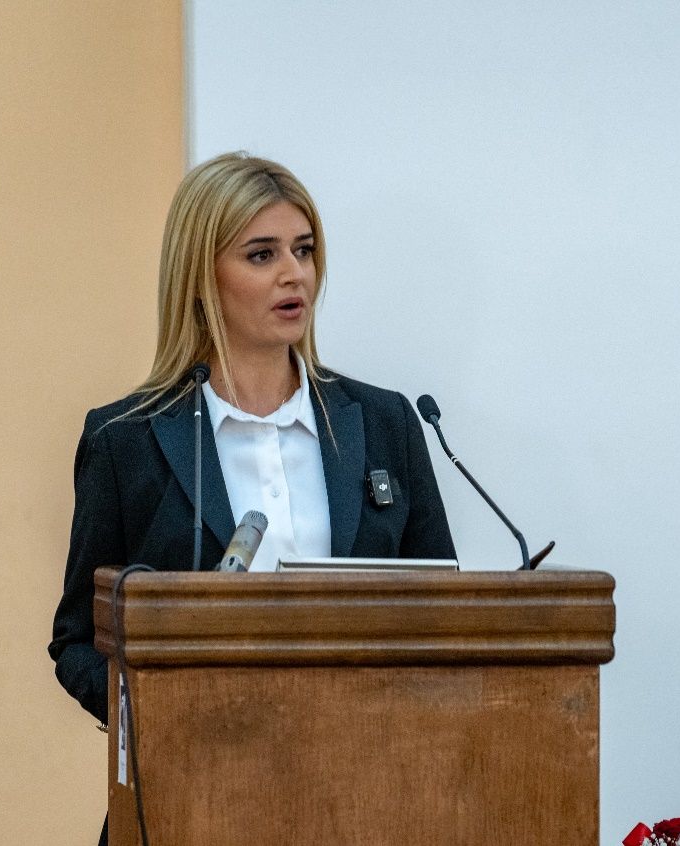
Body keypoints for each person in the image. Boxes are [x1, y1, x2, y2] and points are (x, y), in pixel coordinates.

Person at [47, 153, 457, 842]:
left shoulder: (384, 422)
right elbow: (77, 641)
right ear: (200, 275)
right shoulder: (127, 439)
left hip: (367, 795)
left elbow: (444, 612)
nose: (294, 274)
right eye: (262, 255)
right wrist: (158, 709)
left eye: (304, 250)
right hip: (188, 798)